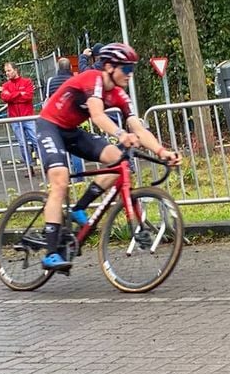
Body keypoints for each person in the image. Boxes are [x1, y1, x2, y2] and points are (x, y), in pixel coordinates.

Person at [35, 42, 180, 271]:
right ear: (111, 66)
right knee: (60, 181)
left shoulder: (120, 94)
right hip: (49, 126)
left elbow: (139, 128)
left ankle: (79, 208)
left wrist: (162, 152)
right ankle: (51, 253)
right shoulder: (93, 78)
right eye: (127, 69)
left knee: (119, 160)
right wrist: (121, 134)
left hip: (71, 130)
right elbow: (97, 115)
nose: (130, 75)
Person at [43, 58, 83, 175]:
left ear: (58, 68)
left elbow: (46, 98)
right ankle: (79, 176)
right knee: (76, 149)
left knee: (60, 149)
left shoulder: (51, 81)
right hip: (72, 119)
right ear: (70, 67)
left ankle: (64, 176)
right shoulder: (76, 80)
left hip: (55, 119)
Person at [0, 61, 38, 178]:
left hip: (28, 117)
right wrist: (19, 94)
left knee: (36, 141)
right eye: (6, 71)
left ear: (16, 70)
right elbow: (5, 98)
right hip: (15, 118)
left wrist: (13, 96)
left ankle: (46, 164)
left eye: (9, 70)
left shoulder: (27, 82)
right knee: (22, 144)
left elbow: (29, 96)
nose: (7, 73)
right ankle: (29, 166)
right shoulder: (6, 85)